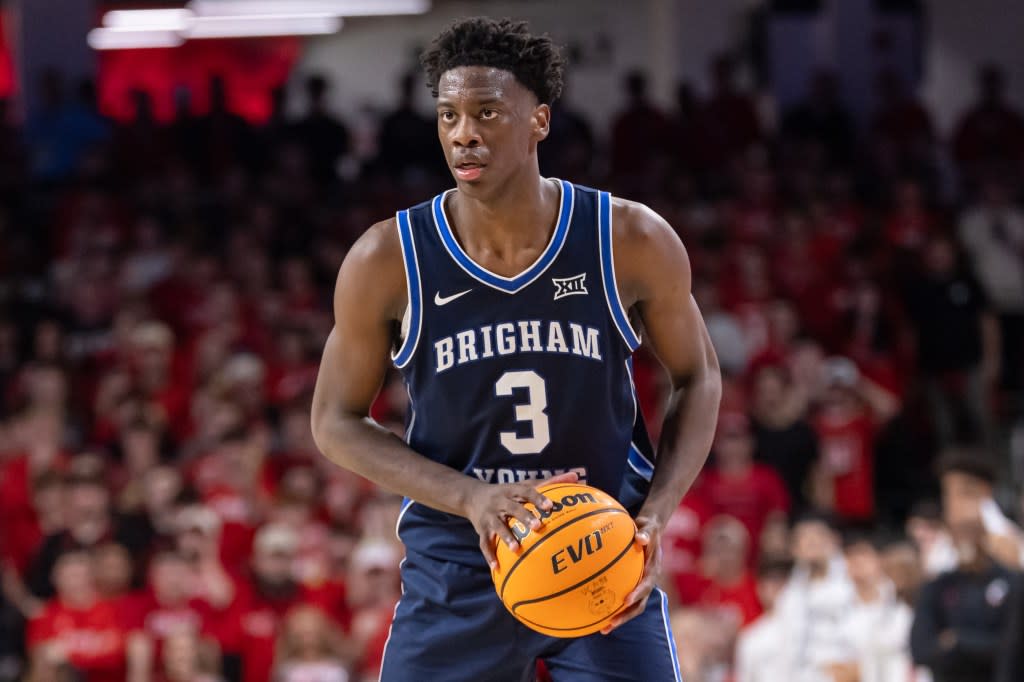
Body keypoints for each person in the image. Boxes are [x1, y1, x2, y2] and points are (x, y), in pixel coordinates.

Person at [310, 17, 721, 681]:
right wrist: (471, 498)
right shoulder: (388, 259)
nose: (463, 133)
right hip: (462, 563)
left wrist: (654, 517)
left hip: (599, 551)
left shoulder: (628, 238)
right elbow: (333, 421)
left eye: (487, 113)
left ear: (539, 121)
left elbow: (698, 376)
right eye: (448, 115)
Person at [910, 451, 1018, 682]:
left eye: (958, 493)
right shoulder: (939, 549)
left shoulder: (1010, 542)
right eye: (946, 493)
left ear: (983, 492)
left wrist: (959, 641)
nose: (950, 502)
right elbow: (922, 641)